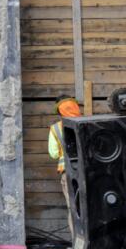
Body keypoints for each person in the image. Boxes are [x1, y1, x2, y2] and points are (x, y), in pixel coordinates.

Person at [48, 96, 83, 228]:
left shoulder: (56, 128)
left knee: (74, 209)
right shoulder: (87, 123)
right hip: (89, 172)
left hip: (69, 173)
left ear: (59, 110)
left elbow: (53, 153)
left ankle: (77, 245)